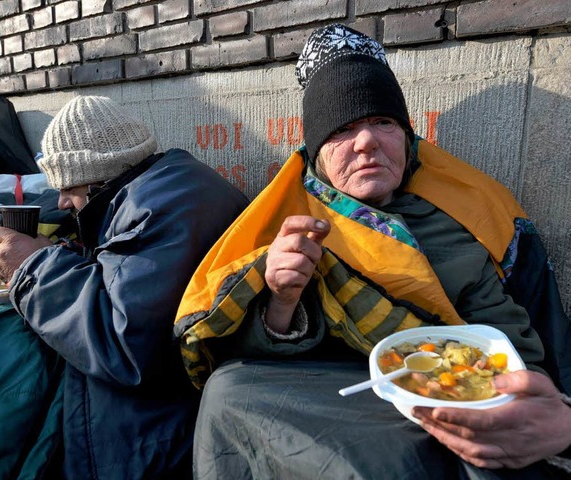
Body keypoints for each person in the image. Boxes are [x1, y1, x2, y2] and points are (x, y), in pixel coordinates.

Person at [172, 24, 571, 479]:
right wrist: (280, 302)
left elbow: (516, 338)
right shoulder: (291, 223)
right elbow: (247, 357)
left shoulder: (464, 214)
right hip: (347, 399)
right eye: (343, 128)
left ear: (407, 137)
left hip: (458, 394)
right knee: (230, 391)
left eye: (383, 122)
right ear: (317, 153)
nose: (367, 142)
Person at [0, 95, 249, 479]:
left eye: (69, 188)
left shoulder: (156, 208)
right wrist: (57, 256)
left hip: (166, 426)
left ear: (97, 178)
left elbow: (124, 341)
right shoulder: (164, 185)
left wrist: (32, 268)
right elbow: (124, 273)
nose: (60, 202)